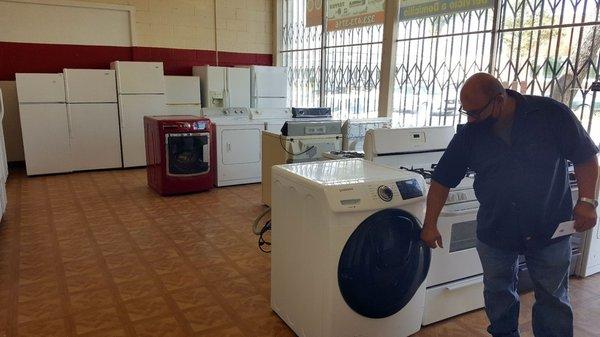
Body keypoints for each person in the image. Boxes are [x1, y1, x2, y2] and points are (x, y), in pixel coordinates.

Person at [421, 72, 599, 337]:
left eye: (475, 112)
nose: (470, 119)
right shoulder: (471, 133)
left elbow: (586, 157)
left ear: (500, 99)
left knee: (553, 298)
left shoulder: (550, 114)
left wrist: (587, 202)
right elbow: (442, 179)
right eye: (465, 112)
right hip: (496, 228)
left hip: (549, 226)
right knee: (498, 293)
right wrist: (430, 223)